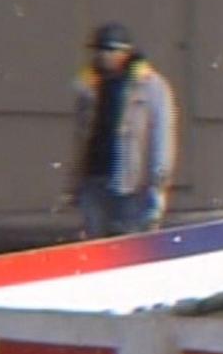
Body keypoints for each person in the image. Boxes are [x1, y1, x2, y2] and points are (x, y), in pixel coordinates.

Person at [65, 22, 179, 237]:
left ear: (124, 53)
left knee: (130, 241)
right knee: (95, 242)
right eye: (98, 50)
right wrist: (74, 183)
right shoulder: (90, 85)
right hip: (94, 178)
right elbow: (80, 138)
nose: (102, 56)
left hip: (131, 183)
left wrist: (158, 185)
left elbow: (161, 138)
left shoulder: (150, 86)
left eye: (109, 50)